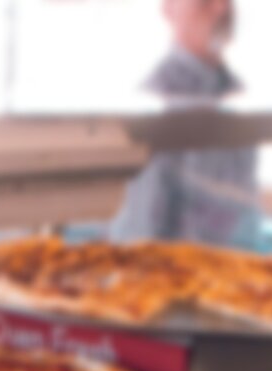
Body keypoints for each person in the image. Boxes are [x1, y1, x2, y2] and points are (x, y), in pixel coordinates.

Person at [109, 0, 259, 248]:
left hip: (228, 272)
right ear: (167, 8)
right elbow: (139, 232)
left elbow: (243, 214)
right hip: (169, 274)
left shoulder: (235, 97)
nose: (220, 7)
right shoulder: (158, 99)